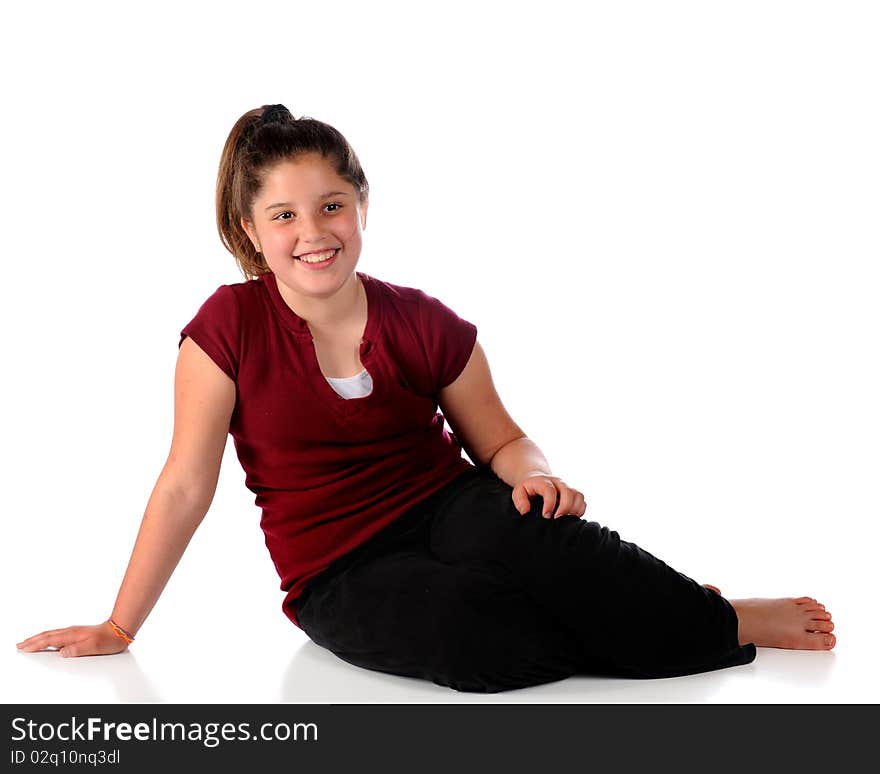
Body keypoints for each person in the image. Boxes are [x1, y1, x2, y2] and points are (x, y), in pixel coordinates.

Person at [16, 104, 836, 693]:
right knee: (472, 637)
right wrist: (121, 625)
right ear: (251, 229)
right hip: (338, 567)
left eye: (333, 205)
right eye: (286, 215)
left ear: (362, 206)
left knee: (554, 544)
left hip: (450, 506)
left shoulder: (422, 319)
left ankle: (712, 616)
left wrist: (535, 475)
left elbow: (504, 442)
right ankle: (640, 617)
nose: (315, 232)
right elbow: (184, 485)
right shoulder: (224, 328)